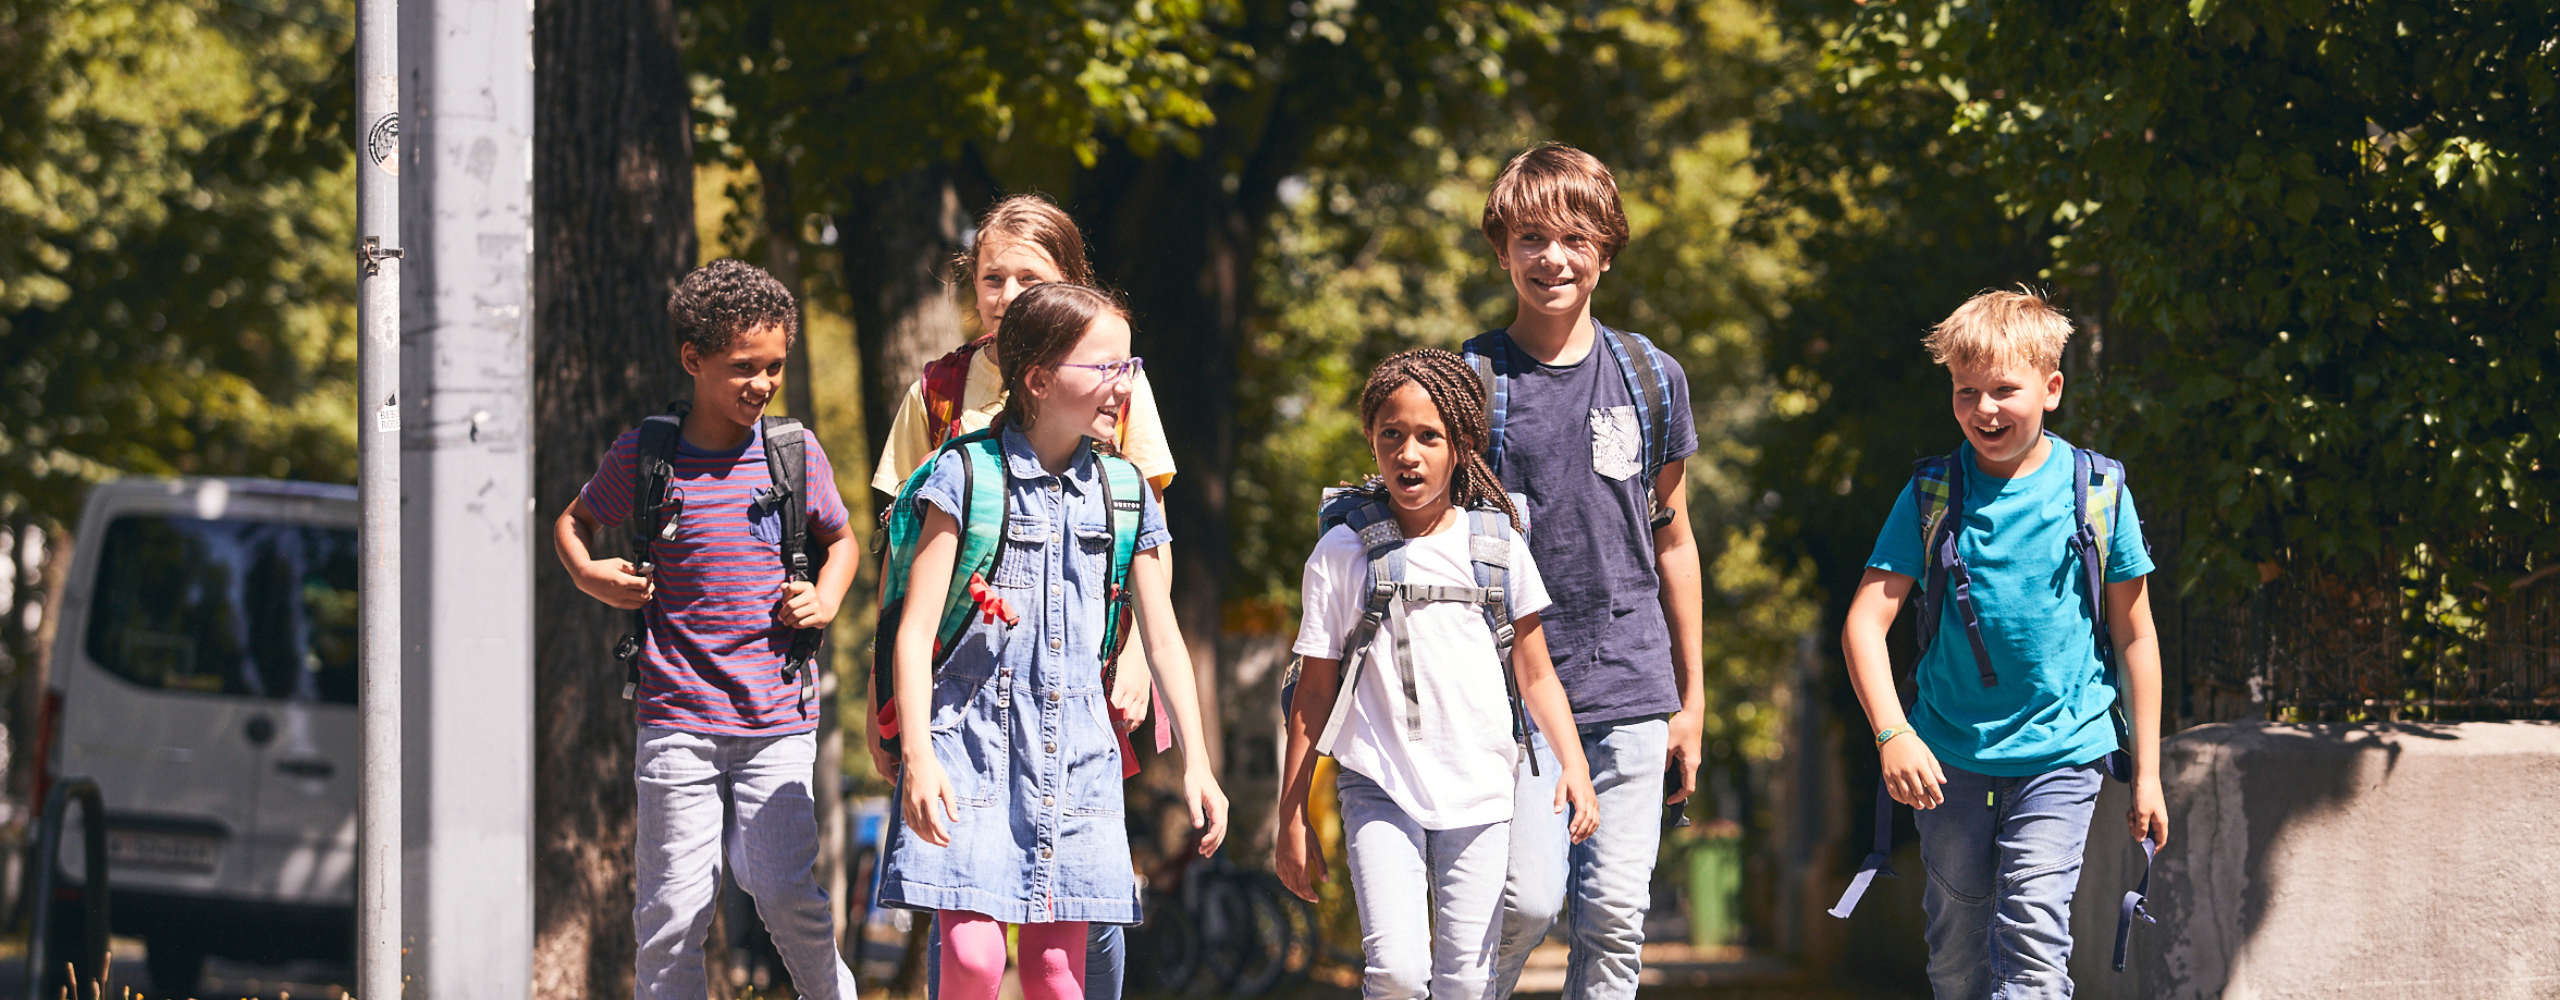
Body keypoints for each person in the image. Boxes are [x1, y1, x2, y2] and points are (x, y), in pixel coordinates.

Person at [874, 281, 1229, 1000]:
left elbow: (1163, 640)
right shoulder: (963, 474)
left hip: (1079, 759)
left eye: (1127, 366)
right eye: (1104, 368)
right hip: (967, 752)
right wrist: (916, 755)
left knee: (1058, 975)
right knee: (972, 960)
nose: (1122, 385)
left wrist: (1199, 762)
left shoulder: (1128, 491)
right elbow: (913, 633)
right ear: (1038, 379)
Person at [1839, 289, 2169, 998]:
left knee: (2034, 931)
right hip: (1948, 757)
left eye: (2003, 390)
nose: (1984, 409)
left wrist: (2147, 772)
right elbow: (1865, 623)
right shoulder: (1934, 492)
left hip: (2064, 751)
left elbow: (2135, 635)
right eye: (1966, 392)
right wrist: (1893, 733)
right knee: (1958, 952)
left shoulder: (2099, 491)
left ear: (2051, 389)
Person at [551, 259, 862, 1000]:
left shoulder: (792, 454)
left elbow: (843, 541)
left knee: (784, 892)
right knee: (672, 912)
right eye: (743, 368)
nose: (762, 384)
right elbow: (574, 521)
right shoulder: (646, 456)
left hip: (777, 718)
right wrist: (588, 573)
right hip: (675, 720)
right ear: (693, 361)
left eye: (775, 367)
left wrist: (826, 597)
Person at [1275, 348, 1600, 1000]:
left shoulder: (1498, 547)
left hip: (1481, 793)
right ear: (1371, 439)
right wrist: (1291, 813)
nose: (1408, 453)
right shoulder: (1341, 553)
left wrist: (1574, 764)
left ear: (1464, 444)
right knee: (1395, 973)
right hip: (1379, 785)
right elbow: (1314, 688)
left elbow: (1535, 672)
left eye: (1429, 436)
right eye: (1391, 435)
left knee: (1464, 981)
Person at [1462, 144, 1704, 1000]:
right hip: (1514, 695)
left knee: (1613, 919)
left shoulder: (1650, 378)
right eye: (1530, 237)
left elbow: (1672, 541)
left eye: (1573, 237)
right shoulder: (1473, 382)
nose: (1551, 258)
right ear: (1502, 250)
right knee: (1524, 899)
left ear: (1606, 248)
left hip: (1634, 687)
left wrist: (1691, 699)